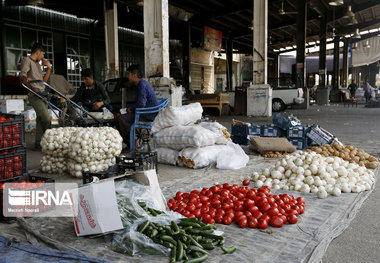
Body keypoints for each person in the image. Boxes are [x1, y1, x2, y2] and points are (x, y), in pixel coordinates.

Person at [115, 64, 158, 151]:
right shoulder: (142, 83)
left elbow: (141, 104)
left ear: (134, 75)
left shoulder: (142, 85)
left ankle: (132, 144)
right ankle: (131, 143)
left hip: (147, 115)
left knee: (120, 119)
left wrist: (130, 109)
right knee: (119, 118)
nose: (128, 77)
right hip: (146, 112)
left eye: (128, 74)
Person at [20, 42, 52, 150]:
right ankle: (49, 140)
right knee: (46, 119)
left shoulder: (38, 65)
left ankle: (38, 144)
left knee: (40, 119)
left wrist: (49, 68)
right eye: (43, 54)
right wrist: (25, 80)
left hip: (42, 93)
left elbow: (44, 81)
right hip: (34, 94)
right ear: (38, 52)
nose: (43, 57)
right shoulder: (27, 61)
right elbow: (23, 75)